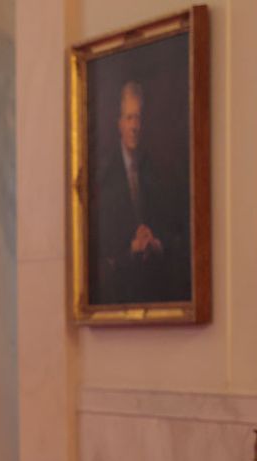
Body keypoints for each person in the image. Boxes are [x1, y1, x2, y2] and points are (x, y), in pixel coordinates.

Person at [89, 80, 190, 304]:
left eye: (138, 118)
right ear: (119, 123)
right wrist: (131, 248)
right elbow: (99, 252)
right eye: (129, 118)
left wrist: (156, 244)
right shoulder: (103, 177)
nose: (134, 126)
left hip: (154, 289)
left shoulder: (155, 172)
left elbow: (172, 230)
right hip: (118, 295)